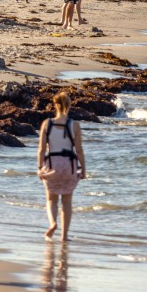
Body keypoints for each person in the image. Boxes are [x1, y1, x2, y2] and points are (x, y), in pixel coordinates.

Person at [38, 92, 85, 241]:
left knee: (51, 200)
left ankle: (52, 223)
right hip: (69, 165)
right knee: (67, 202)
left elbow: (41, 149)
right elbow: (79, 150)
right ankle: (64, 236)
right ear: (69, 105)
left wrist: (40, 167)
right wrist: (83, 168)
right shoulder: (74, 125)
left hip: (52, 164)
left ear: (54, 105)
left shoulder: (47, 124)